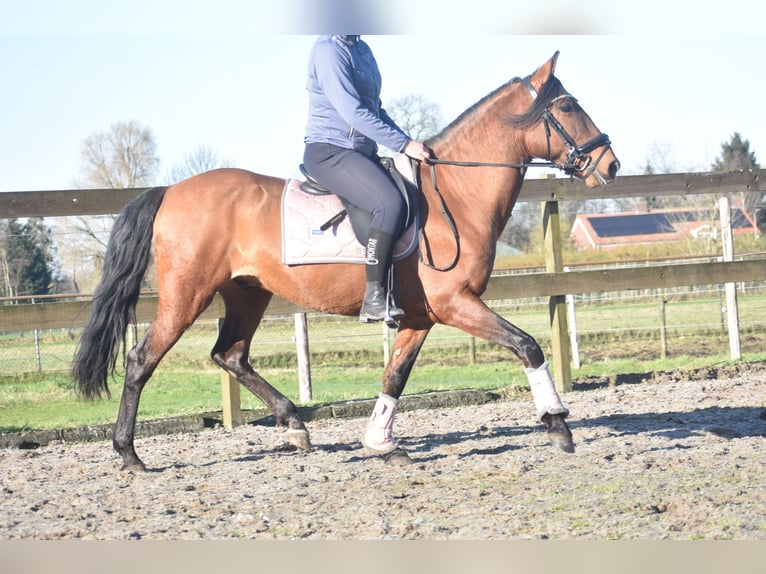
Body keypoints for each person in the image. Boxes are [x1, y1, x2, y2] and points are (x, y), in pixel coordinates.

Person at [302, 35, 431, 323]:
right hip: (329, 151)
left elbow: (376, 110)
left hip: (361, 153)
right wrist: (401, 144)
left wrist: (408, 140)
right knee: (388, 203)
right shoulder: (328, 50)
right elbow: (352, 112)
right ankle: (374, 297)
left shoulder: (362, 50)